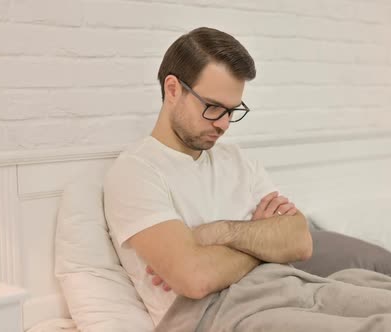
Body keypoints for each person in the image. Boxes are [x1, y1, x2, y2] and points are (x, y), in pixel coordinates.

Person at [103, 26, 313, 326]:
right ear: (173, 89)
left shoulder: (237, 159)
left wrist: (219, 232)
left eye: (232, 110)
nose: (225, 124)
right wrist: (261, 241)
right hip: (228, 318)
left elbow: (301, 241)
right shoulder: (137, 172)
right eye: (214, 108)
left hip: (293, 292)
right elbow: (195, 278)